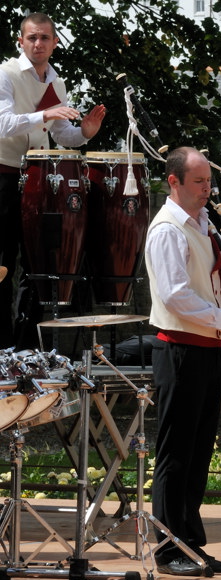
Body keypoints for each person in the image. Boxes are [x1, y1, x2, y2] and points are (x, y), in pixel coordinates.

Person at [145, 147, 221, 576]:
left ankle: (191, 543)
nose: (206, 190)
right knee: (175, 452)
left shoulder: (202, 224)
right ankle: (168, 548)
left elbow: (216, 276)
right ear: (173, 182)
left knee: (198, 451)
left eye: (208, 182)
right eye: (198, 182)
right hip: (179, 348)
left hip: (206, 348)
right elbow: (176, 295)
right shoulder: (167, 229)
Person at [0, 12, 106, 347]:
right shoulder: (6, 73)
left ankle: (27, 348)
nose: (38, 43)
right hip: (3, 175)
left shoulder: (56, 83)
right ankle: (1, 349)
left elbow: (64, 135)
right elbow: (3, 124)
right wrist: (44, 114)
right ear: (21, 41)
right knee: (2, 265)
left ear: (55, 42)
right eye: (32, 37)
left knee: (39, 265)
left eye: (45, 37)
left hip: (38, 181)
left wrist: (85, 132)